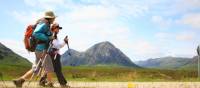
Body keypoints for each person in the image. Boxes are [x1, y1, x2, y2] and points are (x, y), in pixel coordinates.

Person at [13, 11, 56, 87]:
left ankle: (20, 81)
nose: (54, 19)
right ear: (50, 18)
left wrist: (50, 37)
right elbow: (36, 33)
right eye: (53, 18)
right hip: (42, 50)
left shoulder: (44, 23)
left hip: (38, 49)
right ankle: (50, 84)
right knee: (49, 67)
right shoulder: (44, 24)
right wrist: (48, 37)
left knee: (36, 69)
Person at [39, 23, 69, 88]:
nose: (59, 30)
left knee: (50, 69)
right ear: (54, 28)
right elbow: (56, 46)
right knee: (58, 69)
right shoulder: (52, 35)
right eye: (58, 28)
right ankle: (63, 84)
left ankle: (42, 81)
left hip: (53, 54)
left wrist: (64, 42)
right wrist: (64, 42)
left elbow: (58, 45)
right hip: (54, 54)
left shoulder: (54, 36)